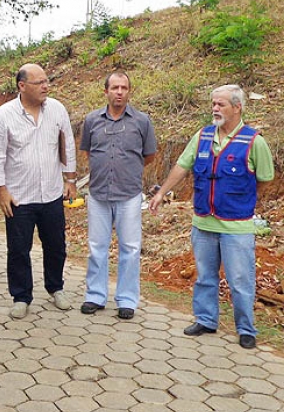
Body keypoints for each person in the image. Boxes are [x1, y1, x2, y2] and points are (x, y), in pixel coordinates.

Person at [149, 84, 274, 349]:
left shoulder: (254, 141)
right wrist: (162, 193)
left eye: (221, 105)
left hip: (237, 225)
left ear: (237, 107)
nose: (215, 109)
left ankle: (245, 329)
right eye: (213, 104)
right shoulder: (203, 136)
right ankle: (206, 319)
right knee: (205, 275)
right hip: (203, 221)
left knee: (240, 280)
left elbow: (264, 180)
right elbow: (182, 166)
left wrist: (243, 200)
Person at [0, 63, 77, 319]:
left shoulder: (57, 110)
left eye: (47, 81)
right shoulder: (3, 116)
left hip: (51, 193)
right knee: (18, 249)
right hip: (19, 196)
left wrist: (70, 180)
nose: (46, 86)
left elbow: (66, 144)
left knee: (56, 245)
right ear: (22, 86)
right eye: (39, 83)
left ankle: (55, 287)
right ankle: (21, 296)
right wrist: (1, 190)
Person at [80, 71, 157, 320]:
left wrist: (127, 171)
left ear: (129, 91)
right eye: (115, 88)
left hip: (129, 194)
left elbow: (149, 155)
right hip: (99, 194)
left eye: (124, 88)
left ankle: (126, 299)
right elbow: (88, 152)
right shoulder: (92, 120)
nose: (119, 92)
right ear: (106, 91)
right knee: (97, 247)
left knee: (131, 248)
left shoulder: (141, 121)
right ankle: (95, 295)